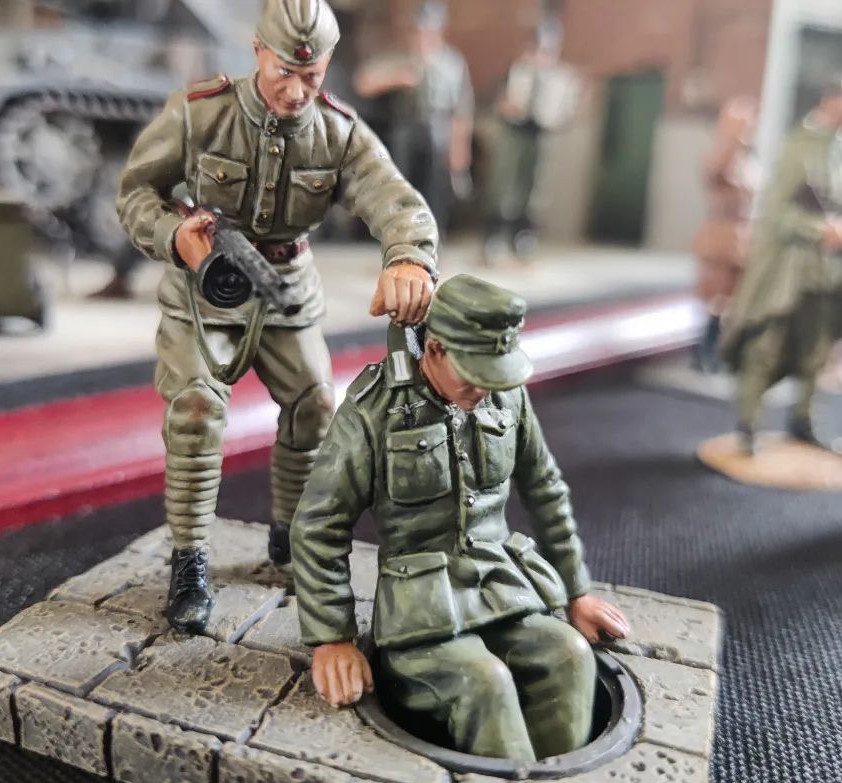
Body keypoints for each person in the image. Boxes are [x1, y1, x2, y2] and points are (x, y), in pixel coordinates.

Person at [117, 0, 439, 633]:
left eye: (311, 76)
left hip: (287, 291)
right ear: (258, 52)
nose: (295, 91)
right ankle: (190, 559)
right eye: (283, 73)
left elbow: (395, 200)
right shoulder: (200, 112)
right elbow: (135, 193)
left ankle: (290, 537)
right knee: (195, 410)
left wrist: (409, 258)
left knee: (317, 403)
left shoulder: (339, 132)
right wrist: (174, 236)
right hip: (205, 289)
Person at [291, 274, 630, 760]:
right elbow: (318, 524)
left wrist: (577, 591)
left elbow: (545, 489)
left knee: (569, 656)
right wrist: (333, 638)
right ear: (435, 349)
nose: (485, 389)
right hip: (418, 609)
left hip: (503, 587)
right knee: (484, 683)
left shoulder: (506, 396)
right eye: (473, 373)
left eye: (495, 373)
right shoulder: (375, 410)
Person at [722, 79, 842, 453]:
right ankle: (749, 424)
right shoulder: (799, 147)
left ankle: (803, 419)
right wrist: (821, 229)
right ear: (830, 100)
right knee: (766, 347)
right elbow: (777, 212)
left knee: (818, 351)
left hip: (832, 270)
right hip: (791, 269)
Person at [353, 1, 473, 235]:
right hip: (406, 126)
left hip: (439, 128)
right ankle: (400, 237)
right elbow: (364, 82)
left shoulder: (452, 63)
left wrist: (460, 150)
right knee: (402, 186)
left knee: (435, 188)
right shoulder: (401, 56)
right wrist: (397, 78)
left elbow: (461, 110)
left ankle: (432, 239)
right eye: (419, 30)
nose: (423, 36)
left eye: (429, 30)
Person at [483, 20, 583, 264]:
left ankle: (524, 238)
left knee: (535, 188)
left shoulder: (562, 78)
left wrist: (563, 114)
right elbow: (497, 100)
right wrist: (505, 106)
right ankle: (495, 236)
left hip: (542, 133)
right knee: (505, 184)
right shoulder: (517, 71)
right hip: (515, 130)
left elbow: (569, 109)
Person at [691, 97, 759, 372]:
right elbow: (715, 175)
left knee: (734, 298)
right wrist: (731, 139)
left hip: (742, 235)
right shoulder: (722, 158)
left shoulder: (749, 160)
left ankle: (722, 350)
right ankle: (705, 352)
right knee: (716, 298)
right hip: (723, 234)